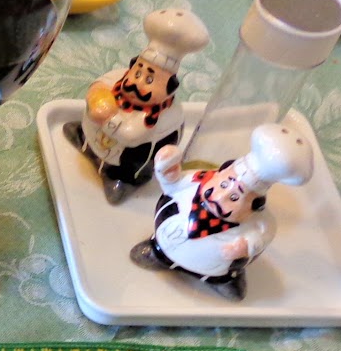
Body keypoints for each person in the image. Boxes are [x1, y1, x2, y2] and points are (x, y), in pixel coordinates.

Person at [130, 122, 314, 300]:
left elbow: (263, 235)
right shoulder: (195, 180)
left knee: (225, 279)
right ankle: (158, 253)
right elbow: (172, 186)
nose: (219, 197)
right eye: (223, 184)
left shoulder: (260, 221)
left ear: (254, 205)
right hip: (167, 242)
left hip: (216, 269)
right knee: (159, 249)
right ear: (218, 174)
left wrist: (246, 246)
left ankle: (222, 281)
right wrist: (167, 170)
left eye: (234, 198)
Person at [64, 7, 210, 204]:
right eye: (137, 73)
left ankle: (122, 179)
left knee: (131, 165)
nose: (137, 84)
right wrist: (98, 95)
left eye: (150, 80)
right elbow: (100, 83)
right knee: (88, 131)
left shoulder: (158, 117)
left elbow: (131, 136)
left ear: (169, 88)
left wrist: (108, 116)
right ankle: (85, 139)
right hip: (94, 135)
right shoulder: (119, 79)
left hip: (125, 162)